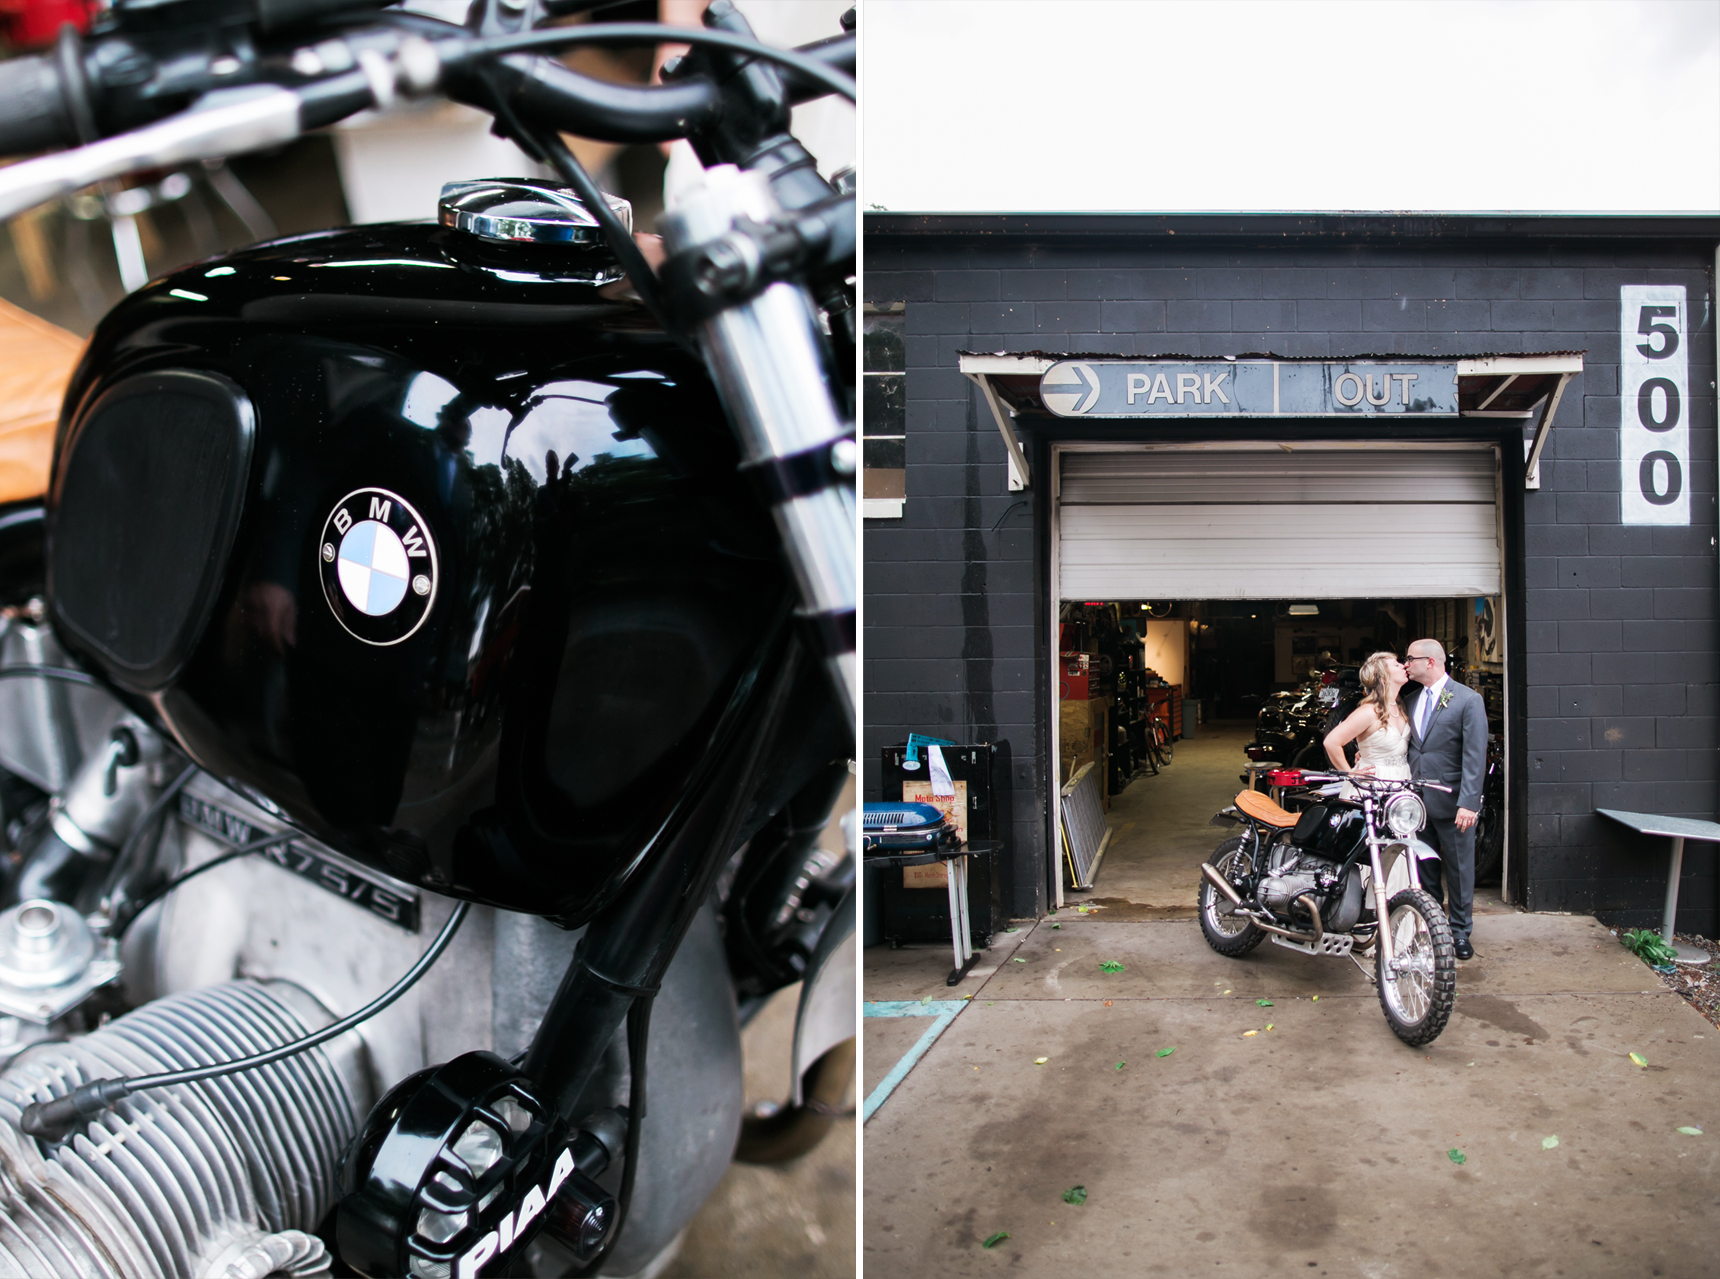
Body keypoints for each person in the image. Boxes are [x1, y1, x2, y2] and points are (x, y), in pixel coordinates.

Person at [1403, 638, 1488, 960]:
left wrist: (1469, 802)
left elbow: (1474, 755)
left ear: (1431, 662)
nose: (1406, 664)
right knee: (1424, 870)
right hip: (1415, 805)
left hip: (1453, 804)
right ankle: (1432, 926)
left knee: (1459, 870)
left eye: (1410, 659)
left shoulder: (1468, 700)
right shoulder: (1409, 700)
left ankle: (1460, 932)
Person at [1322, 651, 1412, 796]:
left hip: (1402, 780)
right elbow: (1331, 742)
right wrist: (1350, 774)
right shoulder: (1368, 711)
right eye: (1396, 665)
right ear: (1384, 678)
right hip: (1373, 785)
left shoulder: (1401, 707)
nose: (1403, 666)